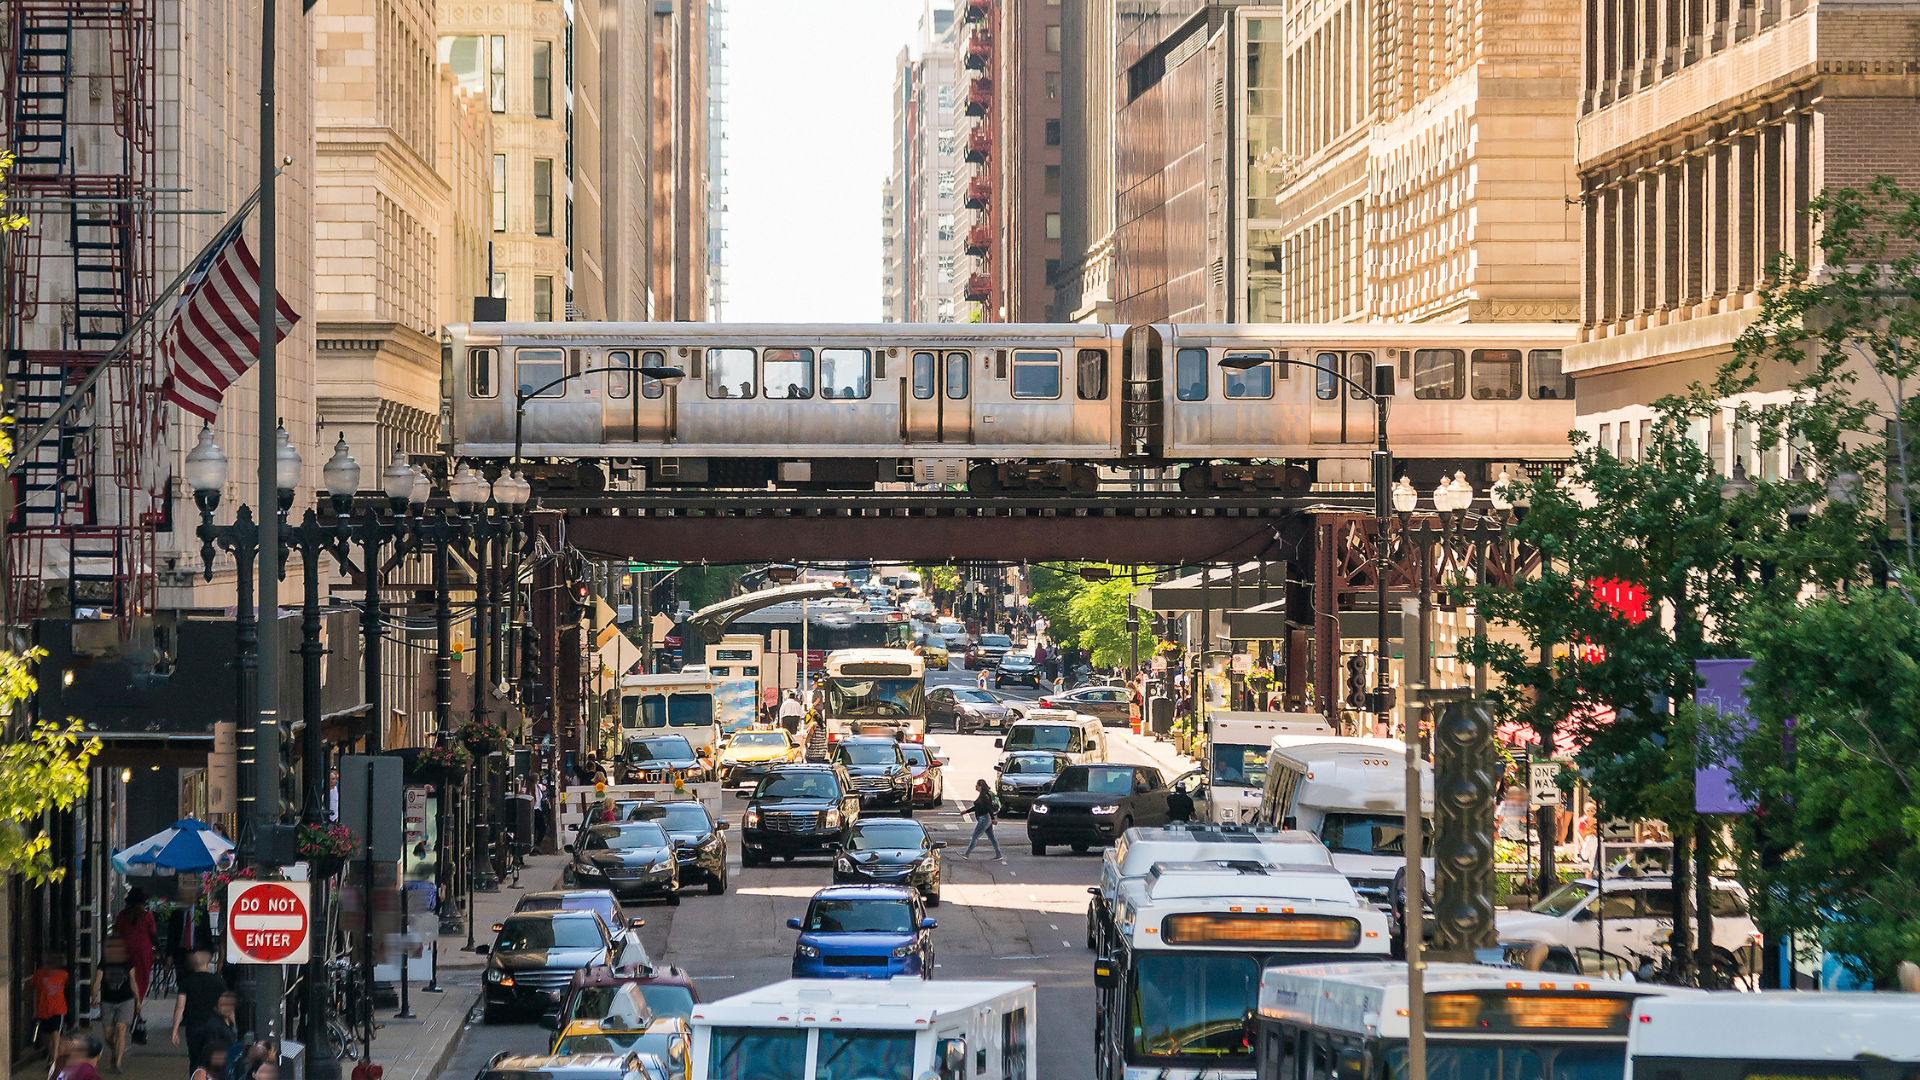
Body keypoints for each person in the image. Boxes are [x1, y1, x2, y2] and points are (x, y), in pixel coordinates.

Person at [170, 949, 227, 1068]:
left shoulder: (186, 982)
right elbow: (224, 1008)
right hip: (213, 1026)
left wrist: (175, 1030)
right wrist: (230, 1024)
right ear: (208, 962)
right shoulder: (218, 982)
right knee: (212, 1061)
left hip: (194, 1026)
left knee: (195, 1060)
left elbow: (180, 1007)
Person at [94, 938, 140, 1072]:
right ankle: (116, 1051)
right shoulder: (105, 962)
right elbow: (98, 979)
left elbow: (133, 982)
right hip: (108, 1001)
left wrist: (138, 1000)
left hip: (125, 1000)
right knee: (108, 1035)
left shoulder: (128, 962)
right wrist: (94, 995)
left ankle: (118, 1063)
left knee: (121, 1029)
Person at [112, 889, 157, 999]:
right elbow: (153, 935)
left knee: (126, 979)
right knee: (142, 979)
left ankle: (129, 1004)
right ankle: (137, 1005)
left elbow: (117, 933)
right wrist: (159, 950)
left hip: (125, 952)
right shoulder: (147, 916)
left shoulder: (122, 915)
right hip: (143, 953)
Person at [29, 953, 68, 1062]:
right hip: (43, 1009)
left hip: (58, 1009)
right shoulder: (40, 974)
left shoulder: (63, 975)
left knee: (55, 1033)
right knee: (47, 1037)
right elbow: (36, 991)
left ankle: (54, 1061)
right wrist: (35, 1009)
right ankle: (55, 1055)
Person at [961, 779, 1001, 860]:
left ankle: (966, 854)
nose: (976, 787)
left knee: (975, 836)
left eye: (977, 785)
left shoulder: (984, 796)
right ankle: (998, 854)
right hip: (986, 818)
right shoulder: (984, 795)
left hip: (984, 819)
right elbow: (977, 807)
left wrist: (993, 818)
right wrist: (966, 811)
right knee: (991, 836)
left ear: (981, 786)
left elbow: (988, 808)